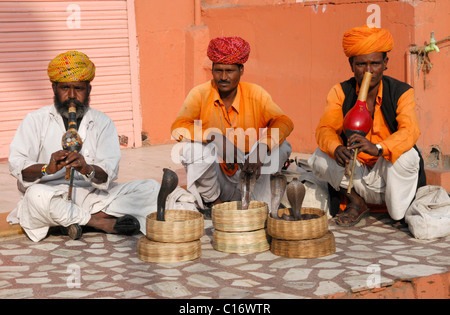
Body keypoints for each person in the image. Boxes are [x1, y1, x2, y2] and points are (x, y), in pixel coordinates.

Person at [8, 51, 167, 242]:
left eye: (79, 88)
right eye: (65, 88)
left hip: (92, 195)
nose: (72, 96)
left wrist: (87, 168)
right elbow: (18, 167)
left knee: (150, 189)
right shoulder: (35, 120)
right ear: (54, 88)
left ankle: (70, 220)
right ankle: (99, 222)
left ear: (89, 89)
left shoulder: (102, 122)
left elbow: (109, 173)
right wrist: (46, 169)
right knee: (35, 196)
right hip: (50, 192)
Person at [308, 25, 426, 226]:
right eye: (362, 64)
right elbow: (325, 129)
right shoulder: (340, 91)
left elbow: (410, 130)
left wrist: (379, 148)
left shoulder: (401, 91)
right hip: (355, 172)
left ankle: (396, 208)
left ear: (385, 63)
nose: (368, 71)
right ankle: (356, 201)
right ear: (351, 65)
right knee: (319, 157)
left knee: (409, 156)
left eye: (375, 64)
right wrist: (336, 148)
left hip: (386, 171)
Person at [171, 36, 294, 216]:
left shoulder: (256, 93)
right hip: (219, 177)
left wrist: (262, 147)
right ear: (212, 70)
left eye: (229, 71)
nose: (223, 77)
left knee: (282, 146)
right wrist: (215, 137)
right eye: (218, 70)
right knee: (191, 149)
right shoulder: (200, 93)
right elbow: (178, 127)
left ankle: (259, 204)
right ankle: (215, 203)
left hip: (252, 171)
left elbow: (284, 121)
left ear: (241, 70)